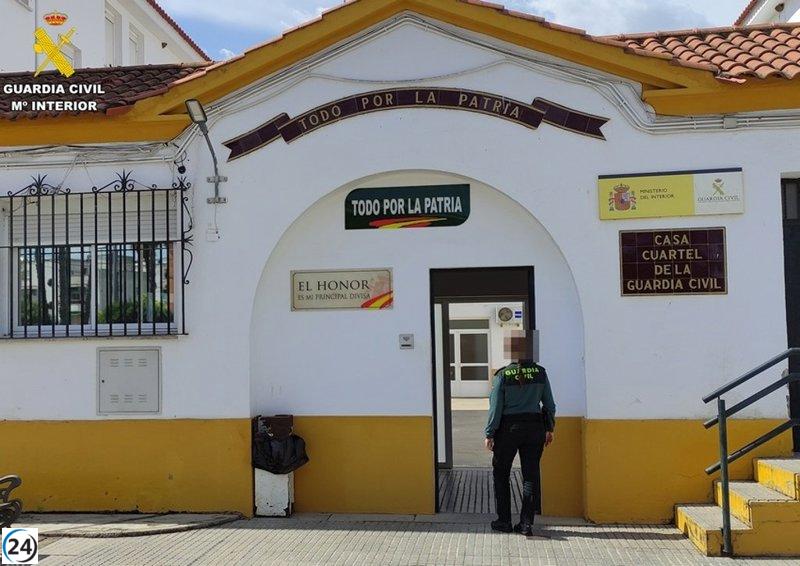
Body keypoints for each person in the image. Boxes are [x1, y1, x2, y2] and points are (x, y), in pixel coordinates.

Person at [484, 359, 555, 536]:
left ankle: (504, 521)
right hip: (534, 428)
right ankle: (526, 524)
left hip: (508, 430)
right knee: (530, 476)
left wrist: (490, 433)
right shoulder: (540, 373)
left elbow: (496, 407)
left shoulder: (503, 375)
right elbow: (549, 405)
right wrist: (549, 428)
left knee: (501, 474)